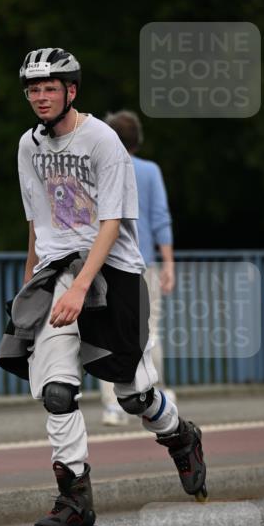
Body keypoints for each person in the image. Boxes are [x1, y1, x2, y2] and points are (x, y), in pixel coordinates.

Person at [0, 48, 207, 526]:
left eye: (49, 88)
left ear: (71, 90)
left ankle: (180, 436)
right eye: (32, 90)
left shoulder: (103, 140)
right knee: (58, 393)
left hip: (113, 272)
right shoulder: (28, 146)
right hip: (55, 275)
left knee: (133, 396)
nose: (40, 97)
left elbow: (111, 224)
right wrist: (32, 288)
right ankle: (75, 504)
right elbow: (37, 223)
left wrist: (82, 286)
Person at [100, 109, 176, 425]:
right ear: (137, 140)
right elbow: (160, 218)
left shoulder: (101, 169)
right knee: (150, 331)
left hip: (106, 264)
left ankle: (113, 405)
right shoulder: (150, 171)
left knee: (106, 335)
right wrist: (168, 262)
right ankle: (152, 395)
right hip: (144, 263)